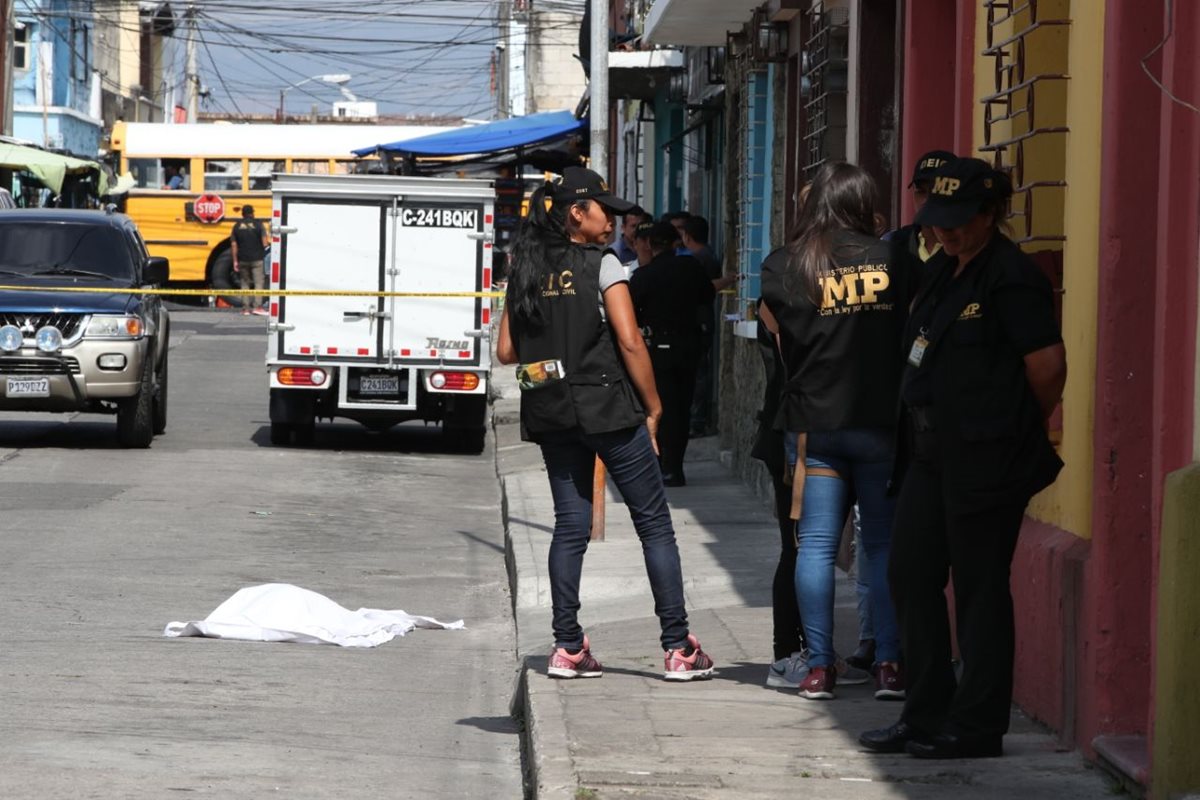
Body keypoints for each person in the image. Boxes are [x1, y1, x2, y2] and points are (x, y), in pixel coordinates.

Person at [859, 158, 1066, 759]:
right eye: (936, 221)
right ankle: (924, 713)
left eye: (957, 221)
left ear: (989, 214)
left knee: (978, 589)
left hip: (985, 458)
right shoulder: (944, 272)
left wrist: (1009, 425)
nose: (944, 231)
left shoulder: (1010, 276)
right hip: (928, 454)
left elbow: (1047, 369)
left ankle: (976, 726)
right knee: (909, 575)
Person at [495, 166, 716, 682]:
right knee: (654, 524)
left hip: (550, 410)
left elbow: (507, 351)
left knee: (569, 527)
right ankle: (678, 648)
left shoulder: (524, 265)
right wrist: (655, 406)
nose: (616, 223)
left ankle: (567, 647)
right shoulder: (604, 263)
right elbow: (632, 340)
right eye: (605, 211)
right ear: (577, 213)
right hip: (608, 409)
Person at [759, 161, 911, 701]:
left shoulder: (782, 266)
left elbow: (778, 344)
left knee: (816, 547)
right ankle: (890, 663)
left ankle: (820, 667)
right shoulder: (895, 260)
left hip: (812, 426)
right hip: (880, 423)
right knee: (884, 545)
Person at [628, 221, 717, 486]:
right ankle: (675, 468)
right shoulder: (690, 267)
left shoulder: (644, 275)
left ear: (649, 245)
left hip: (657, 349)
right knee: (682, 408)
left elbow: (632, 312)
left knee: (658, 409)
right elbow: (707, 296)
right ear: (675, 243)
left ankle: (658, 463)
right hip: (688, 347)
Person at [751, 297, 808, 688]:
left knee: (804, 547)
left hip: (797, 430)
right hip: (790, 434)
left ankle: (805, 648)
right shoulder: (780, 298)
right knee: (799, 547)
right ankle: (788, 651)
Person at [678, 215, 721, 437]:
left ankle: (697, 420)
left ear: (688, 236)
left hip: (700, 321)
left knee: (698, 373)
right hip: (703, 319)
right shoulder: (708, 255)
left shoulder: (698, 259)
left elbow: (706, 288)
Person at [888, 150, 956, 286]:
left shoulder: (965, 248)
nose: (926, 200)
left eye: (935, 191)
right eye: (920, 191)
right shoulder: (894, 243)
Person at [230, 205, 270, 316]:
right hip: (257, 259)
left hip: (242, 259)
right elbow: (265, 243)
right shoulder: (259, 224)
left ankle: (245, 309)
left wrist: (235, 261)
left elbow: (234, 245)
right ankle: (257, 307)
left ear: (242, 214)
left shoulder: (236, 226)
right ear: (252, 213)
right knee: (258, 283)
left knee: (244, 284)